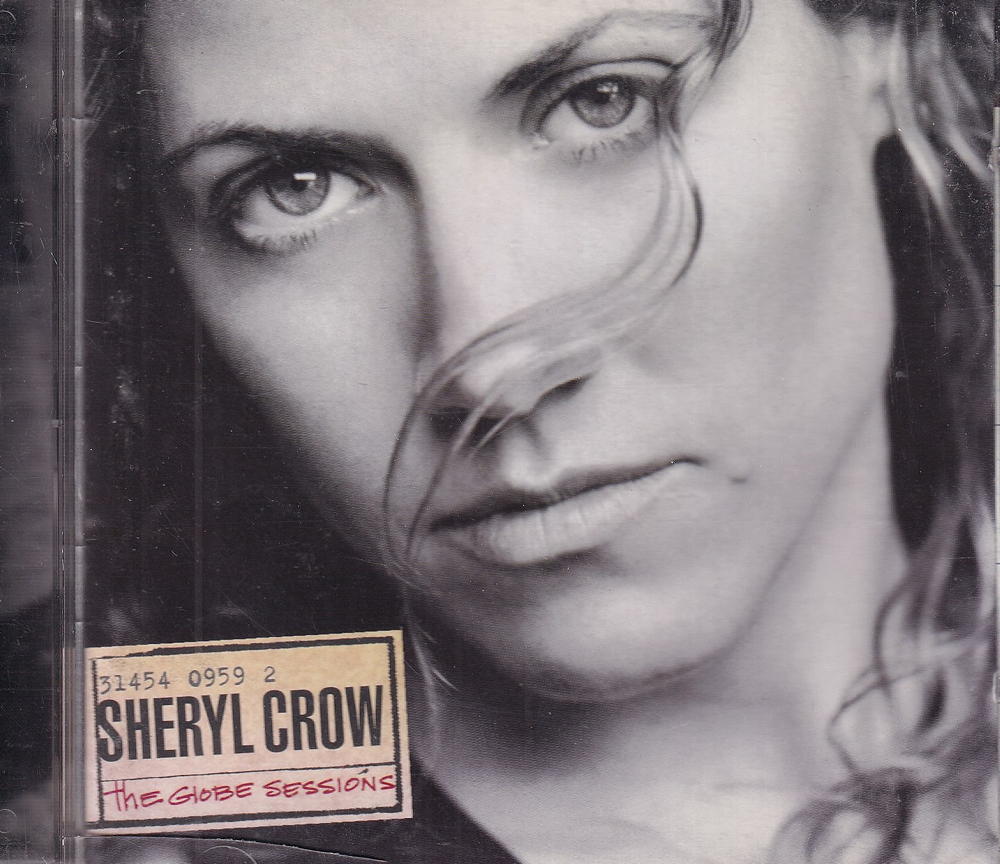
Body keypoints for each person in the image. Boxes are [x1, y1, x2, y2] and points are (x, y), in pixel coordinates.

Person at [83, 0, 994, 861]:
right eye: (294, 190)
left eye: (603, 101)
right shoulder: (158, 810)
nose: (492, 373)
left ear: (890, 41)